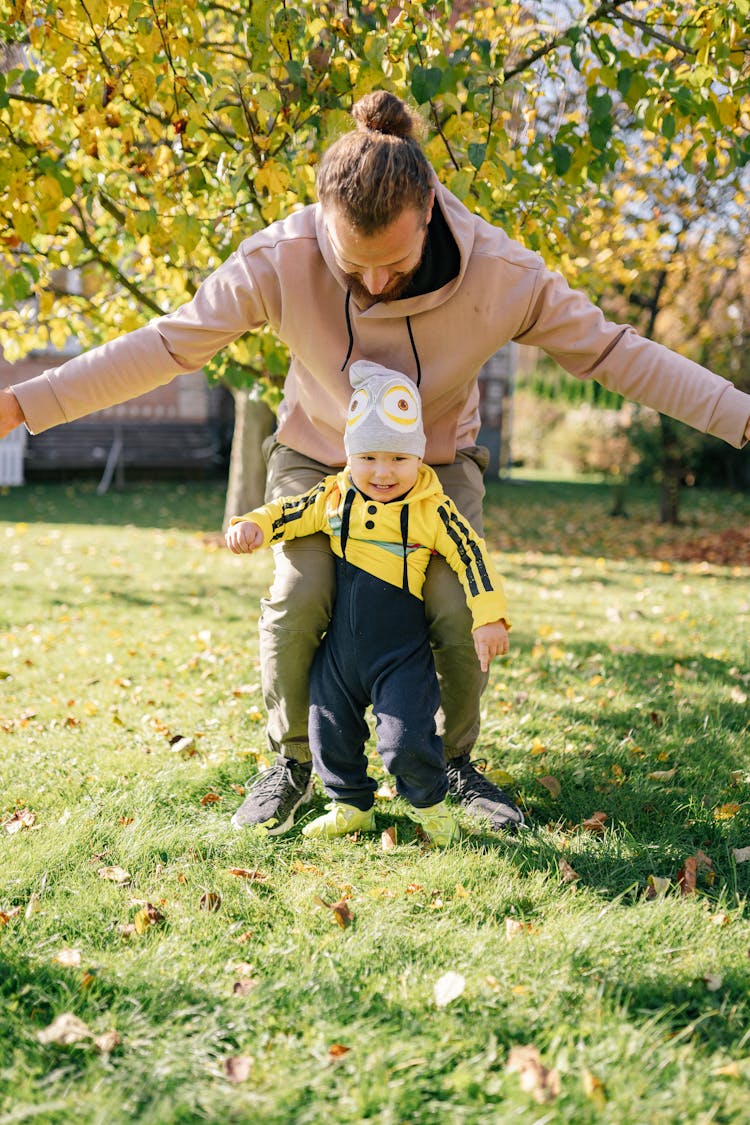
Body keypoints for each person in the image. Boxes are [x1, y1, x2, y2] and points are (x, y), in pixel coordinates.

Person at [2, 90, 749, 834]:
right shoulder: (279, 257)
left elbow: (617, 352)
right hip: (316, 454)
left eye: (394, 264)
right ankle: (291, 763)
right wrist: (25, 402)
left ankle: (454, 762)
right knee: (300, 591)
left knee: (458, 607)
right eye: (352, 267)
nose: (375, 286)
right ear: (323, 222)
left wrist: (741, 418)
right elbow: (168, 344)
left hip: (437, 464)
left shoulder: (502, 274)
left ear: (429, 209)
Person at [226, 360, 511, 845]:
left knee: (404, 740)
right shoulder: (336, 494)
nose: (383, 473)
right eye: (369, 458)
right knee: (328, 727)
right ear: (349, 457)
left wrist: (489, 617)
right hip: (340, 653)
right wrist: (254, 524)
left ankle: (431, 803)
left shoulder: (431, 508)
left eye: (399, 459)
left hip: (398, 653)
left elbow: (471, 556)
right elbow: (289, 512)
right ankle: (350, 803)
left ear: (419, 458)